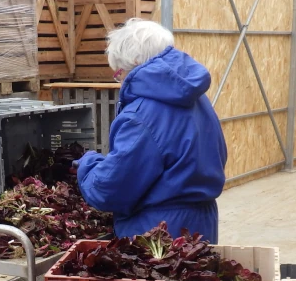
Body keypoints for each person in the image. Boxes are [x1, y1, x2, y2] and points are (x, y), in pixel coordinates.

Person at [76, 18, 227, 243]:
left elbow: (110, 190)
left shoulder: (141, 114)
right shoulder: (195, 96)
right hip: (202, 222)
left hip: (159, 233)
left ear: (134, 63)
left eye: (119, 73)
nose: (120, 80)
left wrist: (88, 163)